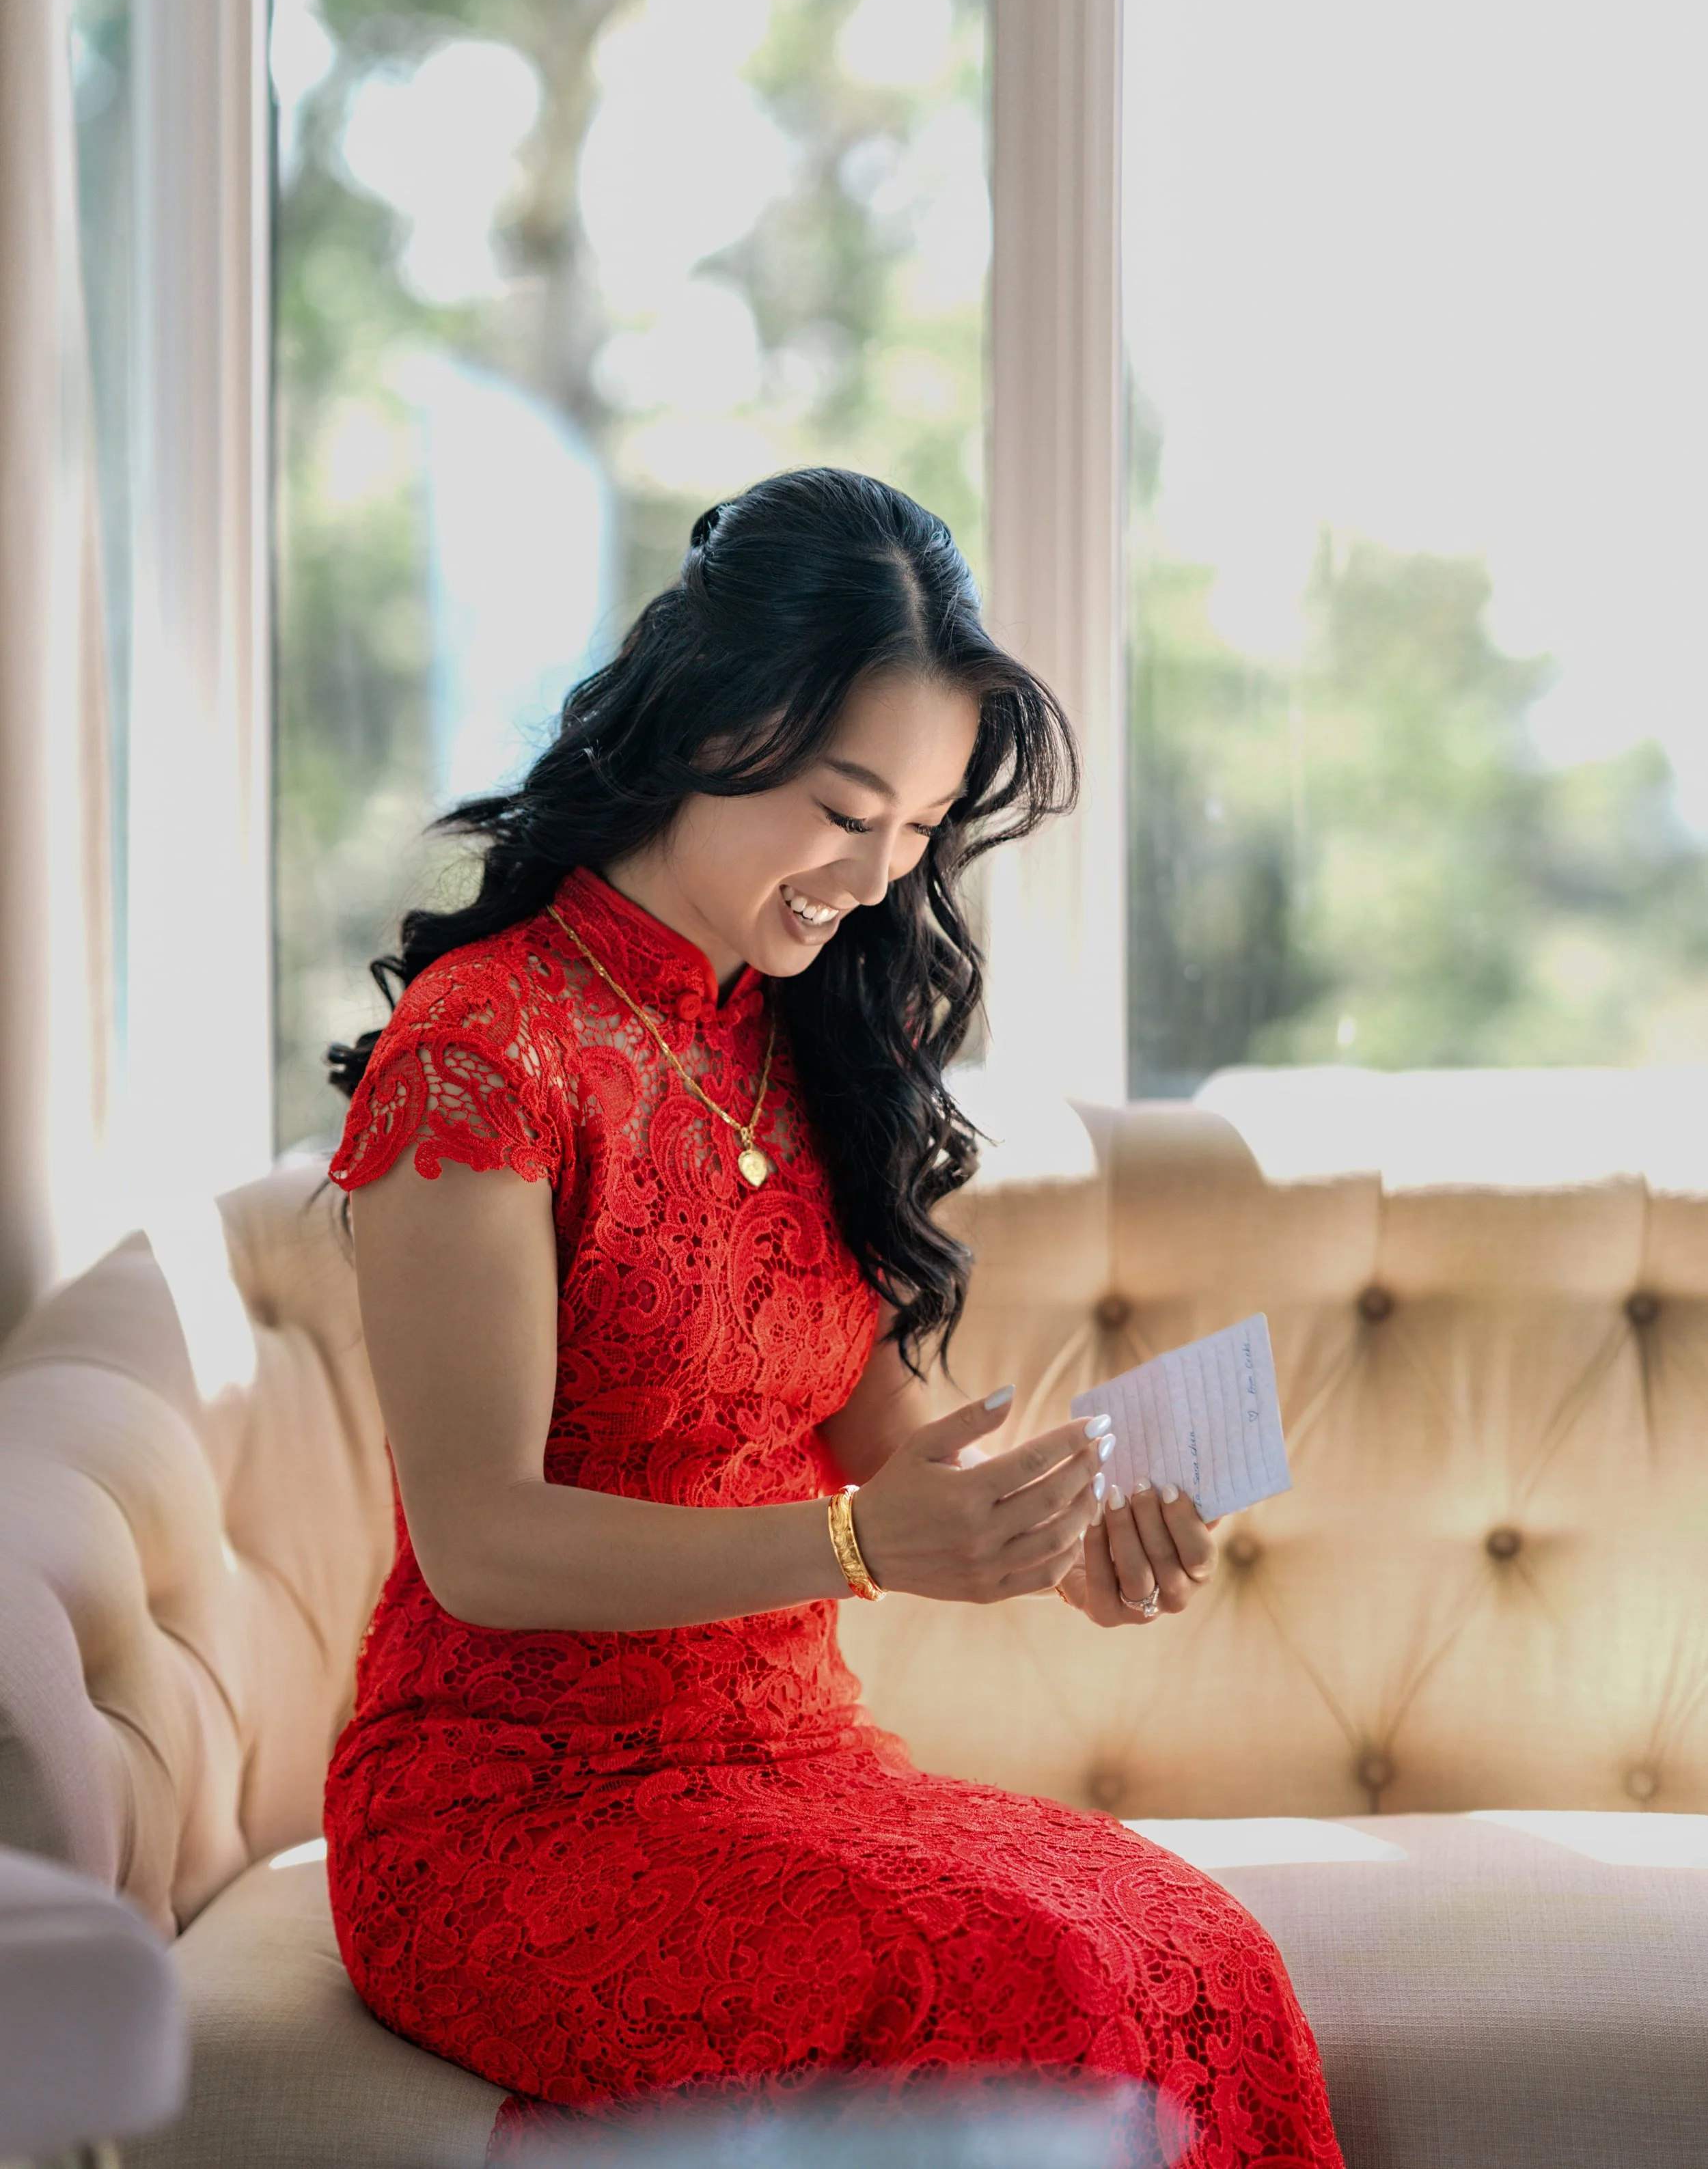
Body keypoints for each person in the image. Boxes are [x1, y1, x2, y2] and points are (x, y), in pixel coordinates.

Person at [322, 469, 1344, 2168]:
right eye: (839, 806)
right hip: (509, 1816)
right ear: (708, 722)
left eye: (917, 829)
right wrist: (870, 1546)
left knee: (1196, 1954)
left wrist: (1061, 1535)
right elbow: (481, 1543)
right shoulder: (479, 1053)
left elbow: (874, 1445)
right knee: (1052, 1995)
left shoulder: (785, 1028)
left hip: (781, 1759)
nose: (873, 877)